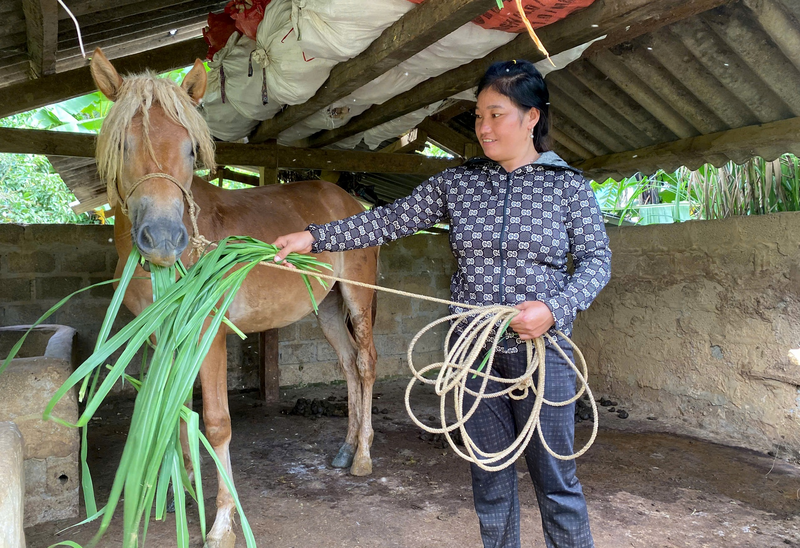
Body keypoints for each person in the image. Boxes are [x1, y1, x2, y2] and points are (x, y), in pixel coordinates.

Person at [273, 59, 611, 548]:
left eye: (496, 114)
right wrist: (312, 236)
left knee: (556, 480)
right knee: (489, 476)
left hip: (545, 353)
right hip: (473, 353)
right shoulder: (458, 183)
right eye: (478, 116)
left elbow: (597, 263)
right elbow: (385, 222)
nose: (483, 127)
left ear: (532, 117)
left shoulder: (568, 187)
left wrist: (555, 309)